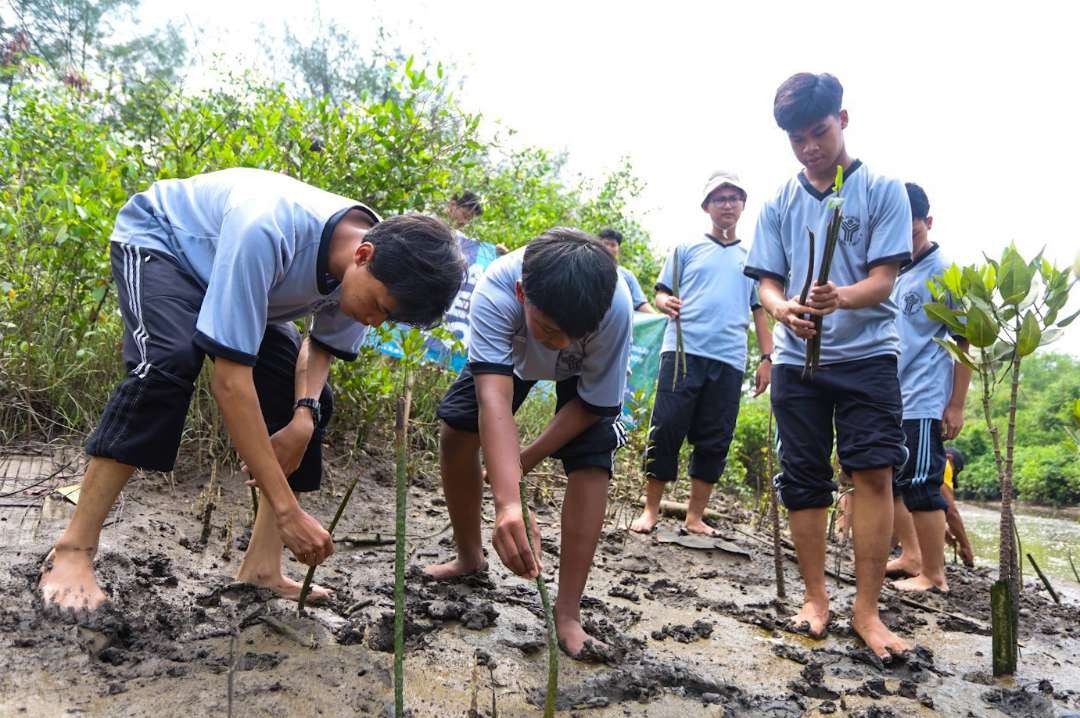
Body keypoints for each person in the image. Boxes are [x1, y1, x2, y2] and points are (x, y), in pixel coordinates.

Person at [39, 168, 466, 611]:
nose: (375, 322)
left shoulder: (373, 267)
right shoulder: (267, 229)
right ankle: (72, 550)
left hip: (234, 276)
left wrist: (302, 417)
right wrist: (288, 511)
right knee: (167, 366)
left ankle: (262, 568)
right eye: (379, 307)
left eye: (387, 317)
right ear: (362, 254)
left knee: (312, 399)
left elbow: (319, 350)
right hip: (164, 247)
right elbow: (229, 382)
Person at [745, 73, 914, 660]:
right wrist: (782, 308)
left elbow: (885, 280)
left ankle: (866, 611)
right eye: (797, 139)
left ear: (843, 119)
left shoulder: (883, 189)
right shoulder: (777, 202)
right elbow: (766, 282)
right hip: (798, 360)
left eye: (818, 132)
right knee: (805, 478)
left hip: (868, 355)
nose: (810, 147)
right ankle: (816, 599)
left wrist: (841, 296)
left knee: (872, 474)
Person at [424, 228, 632, 659]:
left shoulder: (616, 308)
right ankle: (469, 557)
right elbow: (492, 399)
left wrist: (522, 463)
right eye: (552, 329)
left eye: (576, 336)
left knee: (593, 461)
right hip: (511, 361)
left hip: (584, 383)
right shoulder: (497, 289)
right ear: (522, 293)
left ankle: (568, 614)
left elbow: (592, 405)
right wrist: (508, 503)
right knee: (457, 429)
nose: (562, 344)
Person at [630, 171, 772, 536]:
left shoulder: (752, 258)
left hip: (728, 358)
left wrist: (767, 359)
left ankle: (695, 517)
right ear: (707, 206)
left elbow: (759, 310)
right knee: (666, 428)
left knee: (715, 437)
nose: (727, 205)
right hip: (682, 351)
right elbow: (660, 292)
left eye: (734, 198)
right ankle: (650, 510)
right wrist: (666, 303)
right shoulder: (685, 248)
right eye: (720, 199)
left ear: (742, 205)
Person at [886, 182, 972, 593]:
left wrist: (956, 405)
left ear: (928, 222)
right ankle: (912, 555)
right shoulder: (898, 270)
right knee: (893, 478)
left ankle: (935, 576)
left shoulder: (943, 272)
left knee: (922, 481)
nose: (906, 236)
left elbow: (965, 340)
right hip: (894, 393)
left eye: (913, 228)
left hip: (924, 395)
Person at [597, 228, 657, 313]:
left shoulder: (626, 275)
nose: (609, 248)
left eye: (613, 245)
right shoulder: (587, 271)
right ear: (598, 247)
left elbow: (640, 304)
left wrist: (660, 318)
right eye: (605, 244)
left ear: (618, 249)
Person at [942, 446, 975, 567]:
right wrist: (965, 546)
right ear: (949, 458)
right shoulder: (944, 463)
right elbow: (951, 513)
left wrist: (944, 533)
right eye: (954, 471)